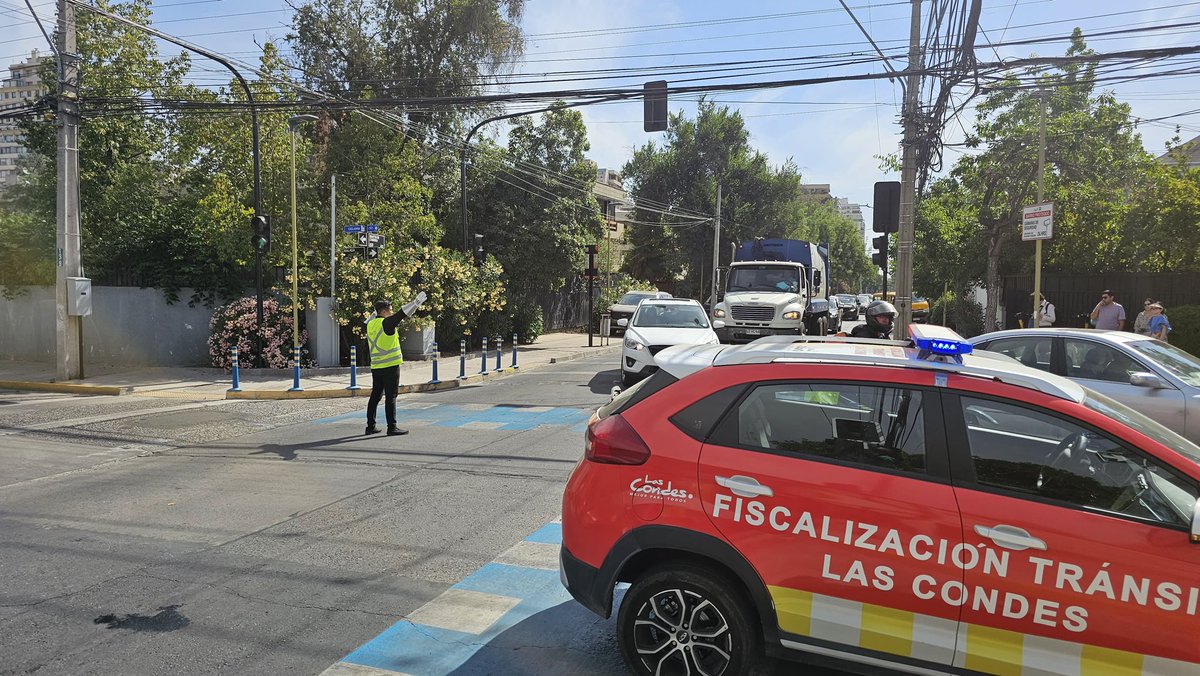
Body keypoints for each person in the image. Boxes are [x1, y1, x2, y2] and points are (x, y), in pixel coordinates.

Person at [365, 292, 427, 436]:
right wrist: (415, 303)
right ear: (385, 311)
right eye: (390, 310)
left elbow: (369, 320)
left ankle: (370, 426)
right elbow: (401, 314)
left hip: (376, 366)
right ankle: (392, 427)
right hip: (390, 366)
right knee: (391, 396)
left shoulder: (370, 324)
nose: (392, 312)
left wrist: (374, 312)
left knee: (375, 395)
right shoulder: (386, 323)